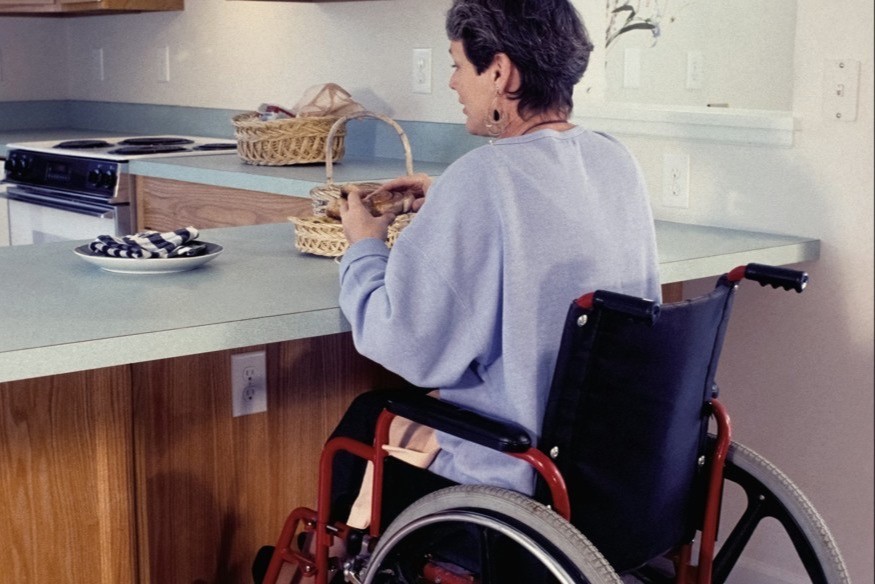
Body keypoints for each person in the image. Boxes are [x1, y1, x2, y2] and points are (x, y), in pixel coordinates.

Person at [331, 0, 661, 525]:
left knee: (363, 420)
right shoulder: (614, 158)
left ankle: (331, 554)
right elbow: (545, 222)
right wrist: (449, 203)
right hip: (609, 468)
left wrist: (363, 246)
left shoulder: (481, 177)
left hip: (517, 473)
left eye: (458, 64)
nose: (453, 83)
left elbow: (405, 343)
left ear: (500, 72)